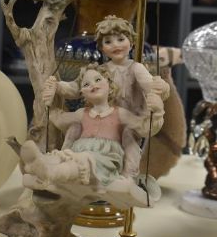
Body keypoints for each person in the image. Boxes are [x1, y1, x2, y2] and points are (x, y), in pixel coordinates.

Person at [42, 15, 169, 177]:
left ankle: (128, 175)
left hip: (127, 118)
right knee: (75, 128)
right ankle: (65, 162)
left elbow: (151, 86)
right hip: (103, 115)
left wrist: (161, 87)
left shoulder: (136, 68)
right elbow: (76, 87)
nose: (115, 45)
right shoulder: (101, 70)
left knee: (129, 137)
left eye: (120, 39)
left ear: (131, 42)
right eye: (108, 42)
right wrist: (58, 86)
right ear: (102, 48)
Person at [22, 64, 164, 206]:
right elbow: (58, 118)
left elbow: (145, 127)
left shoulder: (120, 113)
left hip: (104, 161)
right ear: (82, 93)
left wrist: (157, 112)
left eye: (98, 80)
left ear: (109, 84)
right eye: (86, 84)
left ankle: (50, 173)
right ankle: (41, 164)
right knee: (63, 157)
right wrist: (48, 101)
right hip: (77, 153)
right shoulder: (81, 114)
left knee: (82, 162)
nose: (93, 85)